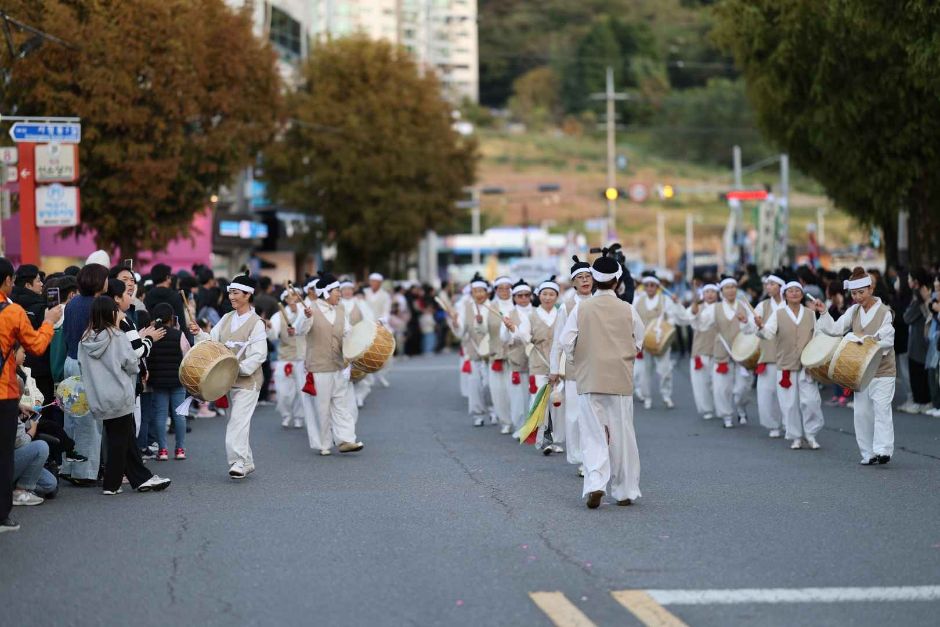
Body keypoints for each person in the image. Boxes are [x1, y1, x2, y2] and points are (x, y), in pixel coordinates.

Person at [560, 247, 645, 509]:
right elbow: (639, 342)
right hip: (619, 379)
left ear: (593, 280)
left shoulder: (581, 308)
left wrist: (581, 360)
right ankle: (625, 490)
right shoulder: (628, 309)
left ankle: (596, 484)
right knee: (622, 435)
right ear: (617, 281)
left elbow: (566, 342)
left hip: (590, 378)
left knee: (594, 434)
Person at [79, 296, 171, 495]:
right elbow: (131, 362)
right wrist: (146, 339)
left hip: (99, 396)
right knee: (120, 440)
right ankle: (111, 484)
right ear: (111, 312)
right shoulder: (117, 337)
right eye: (116, 310)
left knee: (123, 437)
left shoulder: (85, 339)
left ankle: (142, 478)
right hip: (119, 393)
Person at [188, 273, 267, 479]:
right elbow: (212, 344)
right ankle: (247, 461)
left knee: (237, 422)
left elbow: (260, 354)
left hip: (248, 382)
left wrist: (236, 368)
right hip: (227, 380)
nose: (231, 296)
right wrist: (198, 333)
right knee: (237, 421)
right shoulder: (225, 319)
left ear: (248, 295)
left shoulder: (257, 323)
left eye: (236, 292)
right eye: (230, 292)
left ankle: (238, 462)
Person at [813, 267, 896, 465]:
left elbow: (887, 340)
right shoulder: (853, 311)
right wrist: (824, 312)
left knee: (882, 409)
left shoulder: (885, 312)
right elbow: (835, 329)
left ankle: (883, 450)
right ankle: (868, 453)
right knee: (861, 413)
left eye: (861, 292)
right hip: (860, 370)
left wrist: (865, 340)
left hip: (884, 370)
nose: (857, 297)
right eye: (854, 293)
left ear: (870, 289)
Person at [751, 282, 824, 449]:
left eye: (797, 290)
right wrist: (760, 326)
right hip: (785, 365)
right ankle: (795, 436)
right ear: (785, 295)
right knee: (789, 403)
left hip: (807, 365)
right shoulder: (778, 314)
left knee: (811, 401)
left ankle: (811, 434)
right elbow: (768, 333)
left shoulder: (810, 314)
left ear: (802, 294)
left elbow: (817, 335)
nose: (794, 293)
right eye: (790, 291)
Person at [297, 273, 363, 455]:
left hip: (339, 366)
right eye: (336, 291)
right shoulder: (310, 308)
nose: (340, 294)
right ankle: (324, 444)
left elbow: (348, 333)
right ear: (326, 292)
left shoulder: (341, 310)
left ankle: (346, 440)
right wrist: (305, 317)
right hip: (319, 366)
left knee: (341, 404)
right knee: (322, 407)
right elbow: (299, 330)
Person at [58, 263, 110, 486]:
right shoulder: (98, 305)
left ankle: (68, 465)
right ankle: (85, 471)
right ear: (99, 281)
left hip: (70, 363)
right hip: (87, 365)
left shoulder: (72, 304)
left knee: (71, 418)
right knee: (89, 420)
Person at [550, 257, 594, 476]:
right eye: (580, 278)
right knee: (575, 415)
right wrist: (554, 369)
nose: (585, 281)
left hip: (598, 367)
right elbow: (558, 341)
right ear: (573, 283)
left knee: (594, 416)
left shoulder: (601, 303)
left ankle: (593, 458)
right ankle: (579, 457)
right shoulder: (566, 307)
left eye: (588, 277)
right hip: (574, 367)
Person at [513, 276, 564, 454]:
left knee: (557, 402)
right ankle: (543, 439)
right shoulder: (531, 316)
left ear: (557, 296)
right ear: (539, 295)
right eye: (545, 294)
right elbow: (524, 337)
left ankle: (556, 438)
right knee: (539, 400)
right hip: (538, 364)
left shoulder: (562, 313)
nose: (548, 297)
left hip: (560, 366)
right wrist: (515, 330)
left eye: (552, 294)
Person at [697, 277, 756, 428]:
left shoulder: (744, 306)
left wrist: (746, 322)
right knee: (721, 388)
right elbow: (701, 324)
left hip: (742, 352)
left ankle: (741, 406)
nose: (730, 290)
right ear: (721, 291)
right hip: (722, 351)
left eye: (733, 287)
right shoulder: (714, 308)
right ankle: (727, 415)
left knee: (742, 388)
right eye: (727, 288)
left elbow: (755, 329)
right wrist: (695, 312)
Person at [631, 275, 688, 410]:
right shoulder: (638, 300)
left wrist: (676, 303)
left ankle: (666, 395)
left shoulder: (665, 300)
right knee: (646, 372)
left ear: (657, 287)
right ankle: (647, 397)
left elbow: (677, 317)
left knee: (664, 371)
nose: (650, 288)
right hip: (645, 342)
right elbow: (632, 319)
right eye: (647, 285)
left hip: (661, 342)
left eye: (652, 285)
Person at [448, 274, 493, 427]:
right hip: (473, 351)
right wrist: (455, 323)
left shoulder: (493, 307)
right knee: (475, 384)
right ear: (472, 293)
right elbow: (461, 331)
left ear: (487, 292)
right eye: (476, 291)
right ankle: (478, 414)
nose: (479, 294)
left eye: (482, 291)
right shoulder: (466, 308)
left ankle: (493, 410)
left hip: (491, 352)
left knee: (489, 384)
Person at [147, 303, 190, 460]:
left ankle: (163, 450)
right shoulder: (178, 335)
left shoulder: (152, 335)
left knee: (160, 415)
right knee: (179, 415)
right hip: (177, 381)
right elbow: (187, 356)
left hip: (158, 381)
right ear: (172, 318)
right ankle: (180, 449)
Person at [751, 274, 786, 437]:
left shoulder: (789, 306)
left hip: (788, 357)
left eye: (772, 284)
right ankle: (773, 424)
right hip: (769, 355)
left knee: (786, 394)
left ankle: (788, 423)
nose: (768, 287)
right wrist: (749, 322)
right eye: (767, 284)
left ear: (780, 286)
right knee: (767, 393)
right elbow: (752, 327)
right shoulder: (762, 306)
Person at [268, 286, 307, 429]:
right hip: (285, 358)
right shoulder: (279, 316)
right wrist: (269, 327)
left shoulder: (306, 313)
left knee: (301, 391)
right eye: (289, 298)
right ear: (285, 300)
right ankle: (286, 414)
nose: (293, 300)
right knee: (283, 392)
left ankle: (299, 417)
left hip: (303, 358)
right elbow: (273, 335)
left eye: (295, 296)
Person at [500, 279, 534, 433]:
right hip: (517, 359)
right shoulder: (509, 315)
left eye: (526, 295)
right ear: (514, 297)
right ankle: (520, 427)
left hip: (536, 360)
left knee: (534, 395)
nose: (524, 298)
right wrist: (508, 329)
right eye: (520, 295)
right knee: (518, 396)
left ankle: (535, 426)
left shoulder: (537, 312)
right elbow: (504, 339)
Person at [902, 268, 932, 413]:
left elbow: (907, 317)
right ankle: (921, 401)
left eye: (909, 278)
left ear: (915, 282)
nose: (907, 281)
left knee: (917, 371)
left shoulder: (919, 296)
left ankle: (921, 401)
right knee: (918, 371)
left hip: (919, 340)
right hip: (920, 339)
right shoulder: (921, 295)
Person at [687, 284, 719, 420]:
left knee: (719, 384)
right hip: (700, 350)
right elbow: (689, 319)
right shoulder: (696, 307)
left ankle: (721, 407)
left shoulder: (723, 308)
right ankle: (707, 409)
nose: (710, 294)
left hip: (719, 351)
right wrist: (694, 310)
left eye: (713, 291)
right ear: (703, 294)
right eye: (707, 292)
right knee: (701, 383)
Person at [489, 276, 515, 434]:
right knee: (498, 390)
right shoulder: (489, 307)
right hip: (496, 355)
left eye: (507, 288)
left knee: (514, 390)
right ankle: (505, 421)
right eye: (501, 288)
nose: (504, 291)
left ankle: (518, 419)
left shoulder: (518, 305)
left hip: (515, 355)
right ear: (496, 290)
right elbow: (480, 331)